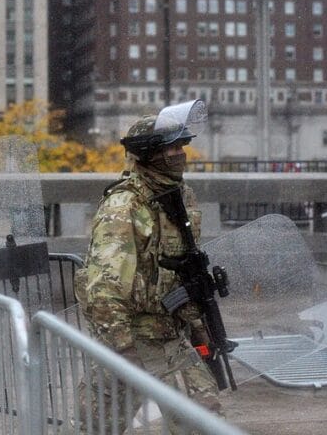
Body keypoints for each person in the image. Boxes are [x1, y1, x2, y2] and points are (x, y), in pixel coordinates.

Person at [76, 100, 221, 433]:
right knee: (94, 427)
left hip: (171, 336)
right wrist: (123, 352)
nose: (180, 153)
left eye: (181, 145)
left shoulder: (180, 198)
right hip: (132, 337)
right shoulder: (124, 205)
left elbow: (181, 272)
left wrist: (199, 324)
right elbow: (104, 288)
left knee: (205, 419)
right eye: (171, 147)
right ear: (150, 153)